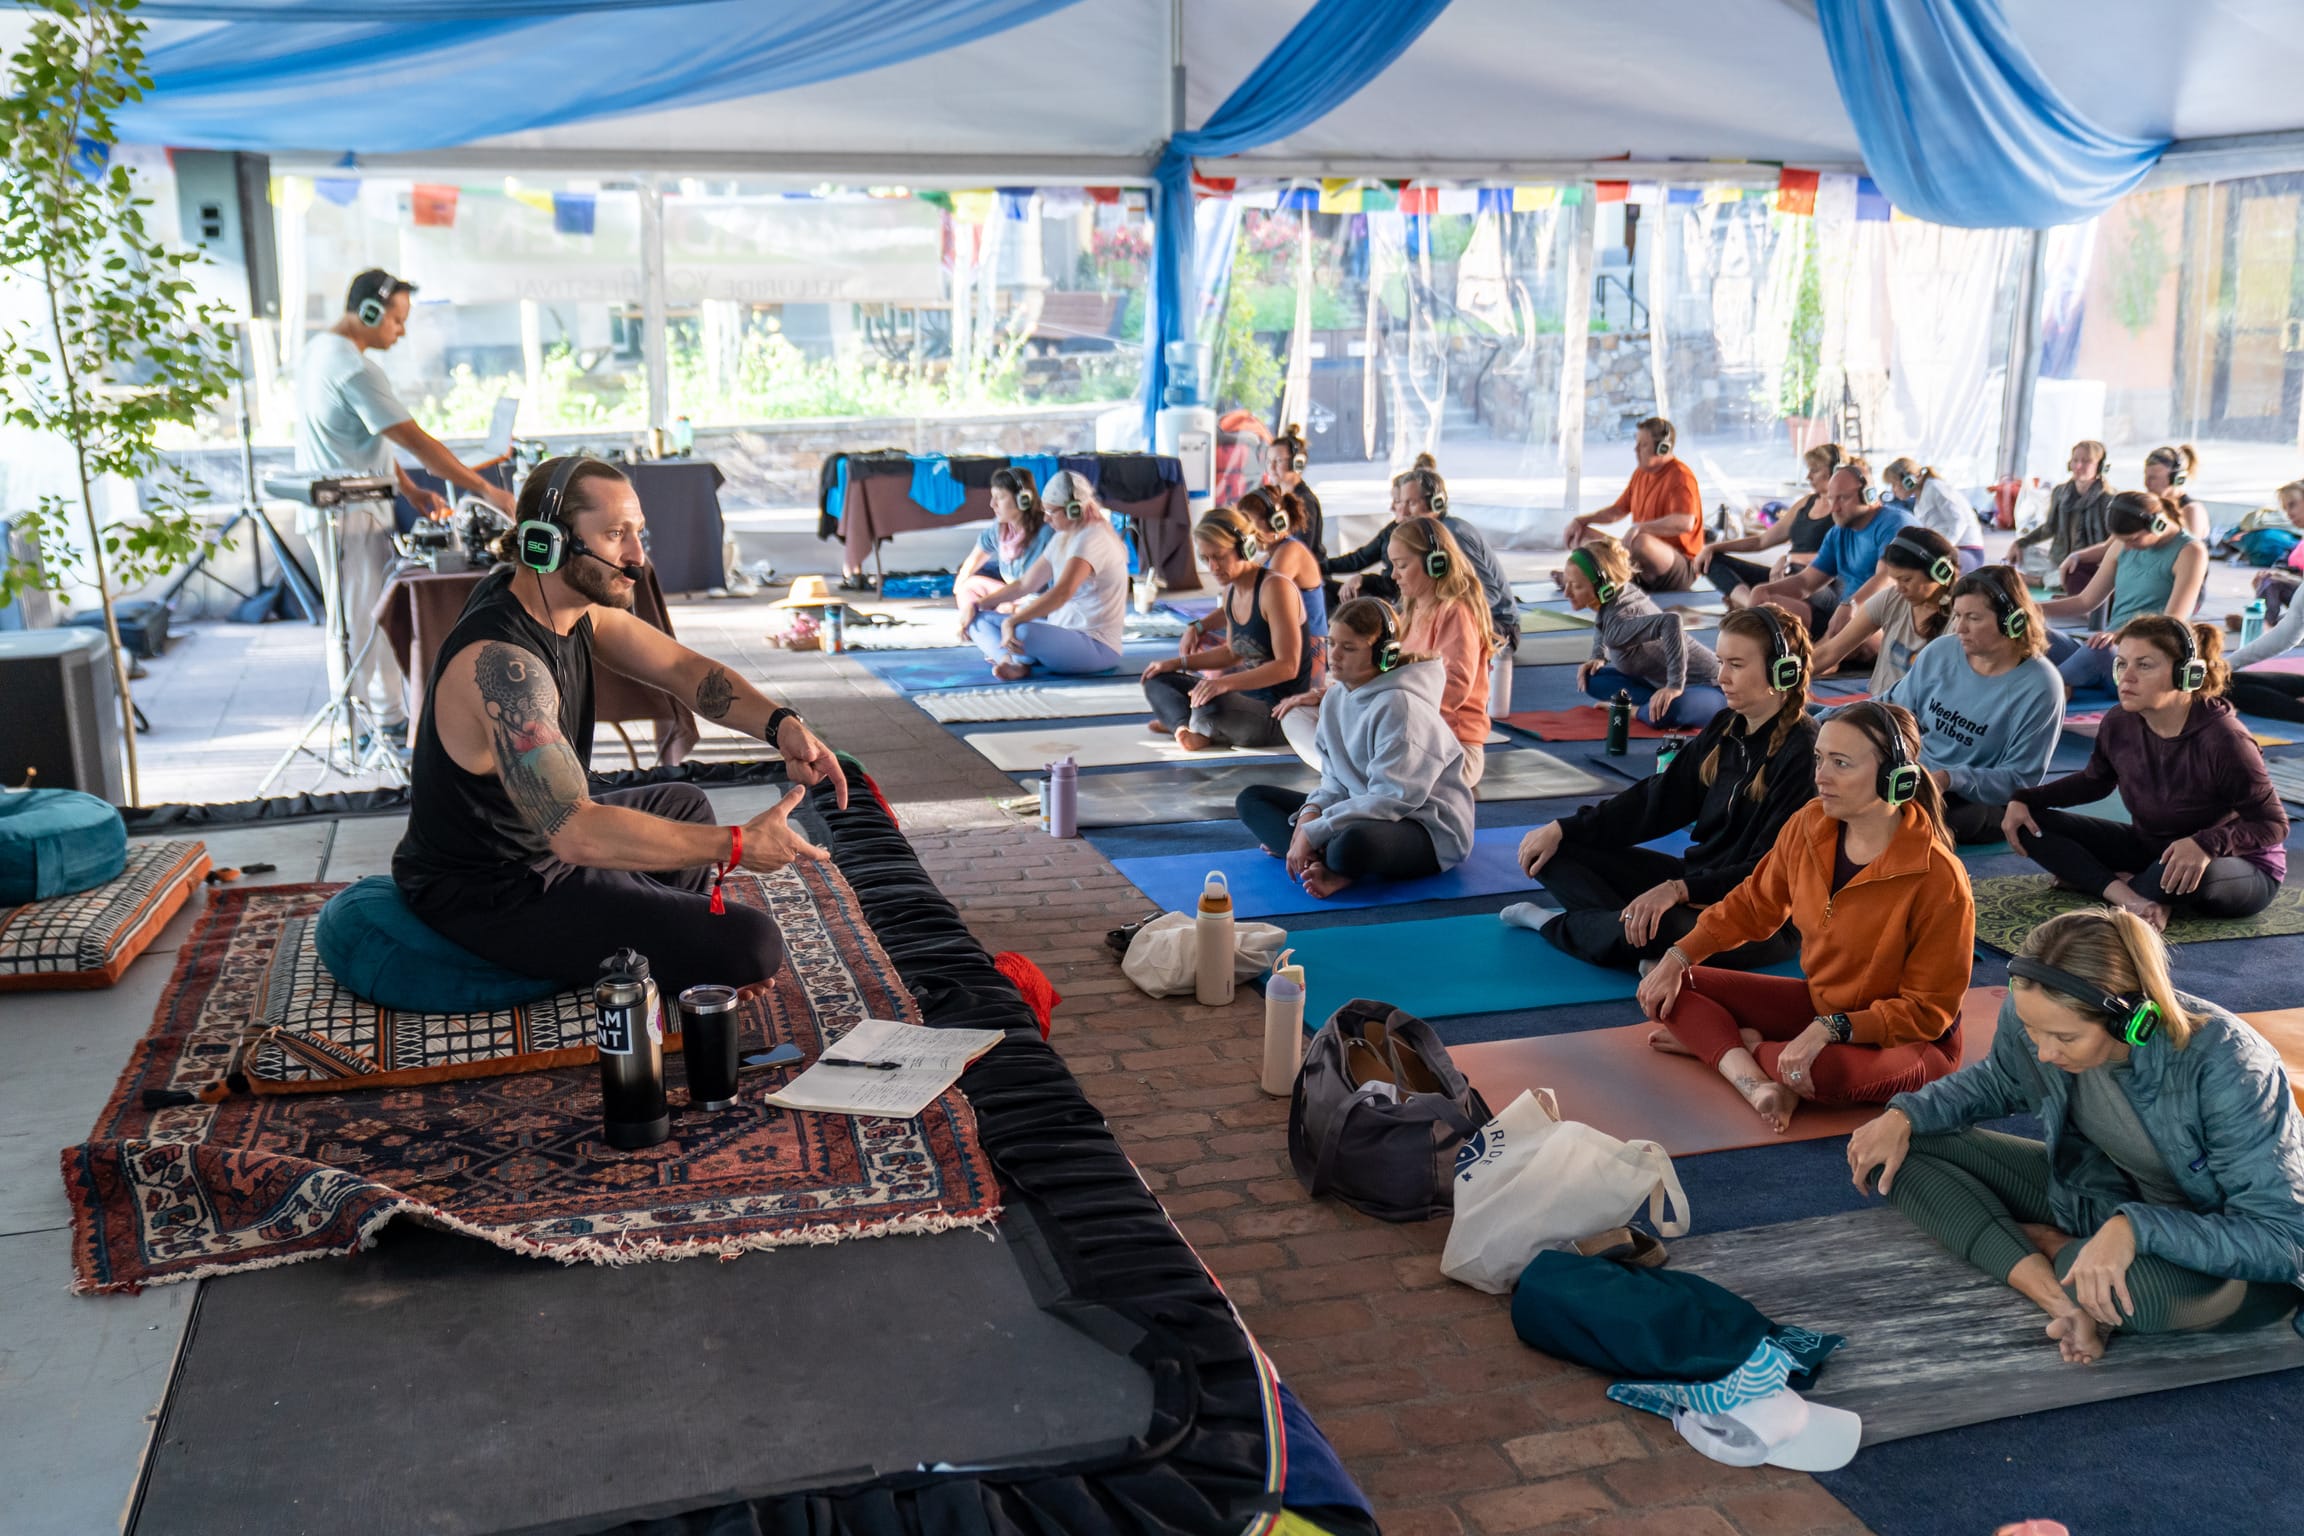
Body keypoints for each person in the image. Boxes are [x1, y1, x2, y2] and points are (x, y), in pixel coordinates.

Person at [392, 456, 846, 999]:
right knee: (753, 946)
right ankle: (642, 932)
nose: (637, 558)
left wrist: (781, 725)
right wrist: (735, 845)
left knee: (685, 804)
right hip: (492, 890)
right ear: (547, 543)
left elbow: (683, 671)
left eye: (638, 534)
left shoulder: (572, 606)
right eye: (615, 535)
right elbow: (577, 832)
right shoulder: (504, 667)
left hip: (548, 850)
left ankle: (640, 920)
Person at [1849, 908, 2304, 1366]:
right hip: (2104, 1196)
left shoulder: (2230, 1066)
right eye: (2032, 1031)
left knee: (2126, 1293)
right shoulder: (2035, 1006)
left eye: (2064, 1037)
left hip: (2234, 1261)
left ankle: (2057, 1250)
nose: (2045, 1052)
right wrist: (1904, 1116)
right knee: (1902, 1149)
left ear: (2130, 1022)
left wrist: (2136, 1230)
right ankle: (2059, 1298)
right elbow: (2001, 1080)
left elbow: (2284, 1238)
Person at [1635, 701, 1975, 1134]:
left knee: (1822, 1072)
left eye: (1841, 763)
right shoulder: (1809, 824)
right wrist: (1678, 957)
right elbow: (1753, 906)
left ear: (1895, 780)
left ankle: (1734, 1050)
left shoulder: (1939, 878)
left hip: (1909, 1041)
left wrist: (1832, 1030)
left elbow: (1929, 1012)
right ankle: (1759, 1080)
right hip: (1820, 1008)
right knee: (1666, 987)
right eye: (1819, 758)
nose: (1820, 776)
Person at [1506, 605, 1819, 973]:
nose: (1721, 677)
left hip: (1758, 918)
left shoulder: (1806, 753)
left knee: (1664, 929)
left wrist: (1678, 892)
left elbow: (1767, 872)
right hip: (1693, 885)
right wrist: (1565, 828)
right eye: (1720, 662)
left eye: (1736, 664)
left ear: (1781, 672)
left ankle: (1554, 925)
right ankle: (1625, 936)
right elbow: (1657, 800)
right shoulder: (1725, 727)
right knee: (1552, 853)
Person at [295, 269, 519, 744]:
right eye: (397, 319)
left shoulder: (321, 351)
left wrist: (409, 491)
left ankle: (388, 718)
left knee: (360, 617)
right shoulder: (354, 368)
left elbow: (370, 436)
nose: (401, 330)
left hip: (349, 510)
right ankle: (359, 730)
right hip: (347, 517)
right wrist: (485, 489)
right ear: (370, 311)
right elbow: (416, 442)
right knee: (358, 622)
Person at [2004, 616, 2288, 930]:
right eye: (2122, 664)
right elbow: (2093, 783)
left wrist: (2207, 844)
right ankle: (2131, 896)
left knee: (2181, 872)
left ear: (2185, 674)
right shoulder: (2119, 721)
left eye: (2144, 665)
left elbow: (2273, 824)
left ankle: (2113, 883)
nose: (2127, 678)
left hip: (2236, 865)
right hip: (2151, 847)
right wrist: (2024, 799)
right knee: (2029, 824)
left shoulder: (2225, 740)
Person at [1234, 598, 1475, 900]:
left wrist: (1313, 831)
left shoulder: (1400, 706)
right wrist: (1310, 814)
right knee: (1252, 799)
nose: (1333, 656)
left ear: (1384, 655)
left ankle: (1323, 860)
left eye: (1348, 648)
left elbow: (1392, 799)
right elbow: (1333, 780)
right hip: (1360, 808)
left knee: (1350, 846)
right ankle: (1318, 858)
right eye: (1332, 643)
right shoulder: (1336, 698)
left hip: (1422, 825)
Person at [1279, 515, 1490, 779]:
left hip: (1448, 749)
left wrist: (1380, 711)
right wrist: (1326, 696)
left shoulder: (1455, 612)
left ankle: (1350, 774)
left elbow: (1453, 688)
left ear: (1435, 563)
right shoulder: (1409, 613)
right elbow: (1377, 674)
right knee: (1297, 713)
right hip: (1399, 731)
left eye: (1401, 565)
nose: (1393, 575)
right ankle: (1354, 773)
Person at [1883, 565, 2064, 844]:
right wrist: (1829, 719)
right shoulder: (1941, 651)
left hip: (1979, 800)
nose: (1961, 628)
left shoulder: (2041, 685)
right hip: (1921, 777)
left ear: (2011, 622)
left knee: (1939, 817)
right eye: (1958, 616)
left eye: (1974, 618)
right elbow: (1892, 708)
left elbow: (2021, 779)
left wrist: (1951, 778)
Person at [1140, 508, 1308, 750]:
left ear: (1245, 549)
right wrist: (1176, 664)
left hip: (1278, 712)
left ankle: (1190, 722)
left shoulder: (1275, 588)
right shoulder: (1231, 589)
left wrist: (1225, 684)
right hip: (1244, 699)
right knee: (1156, 679)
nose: (1213, 566)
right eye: (1206, 558)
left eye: (1218, 556)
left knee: (1210, 703)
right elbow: (1232, 652)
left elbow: (1288, 666)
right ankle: (1184, 727)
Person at [1325, 454, 1518, 646]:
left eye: (1412, 503)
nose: (1404, 512)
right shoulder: (1425, 536)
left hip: (1497, 625)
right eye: (1403, 502)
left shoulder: (1454, 534)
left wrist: (1440, 615)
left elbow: (1490, 594)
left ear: (1437, 503)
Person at [962, 470, 1129, 679]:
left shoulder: (1093, 538)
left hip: (1095, 646)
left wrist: (1013, 621)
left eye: (1052, 512)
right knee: (978, 620)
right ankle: (1009, 661)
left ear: (1074, 510)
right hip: (1061, 636)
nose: (1046, 518)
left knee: (1022, 632)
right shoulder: (1063, 537)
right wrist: (977, 605)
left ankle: (1017, 657)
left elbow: (1062, 593)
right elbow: (1025, 585)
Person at [2036, 491, 2207, 696]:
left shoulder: (2190, 551)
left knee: (2098, 650)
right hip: (2109, 647)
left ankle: (2042, 688)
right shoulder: (2121, 544)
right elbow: (2085, 601)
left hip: (2141, 658)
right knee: (2035, 632)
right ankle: (2055, 683)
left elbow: (2171, 623)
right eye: (2122, 540)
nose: (2127, 547)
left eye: (2133, 540)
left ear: (2158, 525)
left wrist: (2119, 636)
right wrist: (2031, 609)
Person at [1563, 534, 1725, 728]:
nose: (1566, 592)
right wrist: (1597, 655)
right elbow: (1602, 613)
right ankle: (1653, 702)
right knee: (1590, 678)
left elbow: (1671, 621)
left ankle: (1635, 710)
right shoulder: (1620, 591)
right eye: (1567, 583)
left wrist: (1674, 685)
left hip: (1711, 687)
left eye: (1576, 586)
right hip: (1654, 683)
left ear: (1604, 588)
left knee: (1668, 712)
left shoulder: (1620, 625)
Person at [1748, 459, 1911, 640]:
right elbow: (1805, 582)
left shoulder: (1895, 523)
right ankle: (1819, 652)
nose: (1834, 508)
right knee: (1766, 604)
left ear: (1870, 496)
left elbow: (1887, 579)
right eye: (1831, 499)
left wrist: (1851, 604)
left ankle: (1823, 655)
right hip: (1845, 616)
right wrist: (1765, 592)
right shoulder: (1837, 533)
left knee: (1851, 624)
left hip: (1888, 626)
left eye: (1843, 498)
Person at [1563, 416, 1706, 593]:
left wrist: (1640, 527)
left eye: (1643, 445)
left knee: (1641, 542)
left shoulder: (1681, 476)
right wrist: (1582, 520)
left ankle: (1596, 577)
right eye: (1637, 444)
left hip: (1680, 568)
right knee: (1580, 535)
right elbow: (1617, 511)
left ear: (1663, 448)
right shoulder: (1641, 474)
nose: (1636, 450)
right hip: (1640, 564)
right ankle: (1588, 578)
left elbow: (1685, 522)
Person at [1809, 527, 1958, 693]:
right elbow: (1830, 652)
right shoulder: (1892, 598)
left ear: (1941, 572)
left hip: (1910, 717)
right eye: (1896, 580)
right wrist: (1781, 678)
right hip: (1878, 709)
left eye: (1906, 579)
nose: (1900, 588)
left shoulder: (1960, 621)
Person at [1701, 443, 1845, 604]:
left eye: (1815, 470)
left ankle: (1759, 607)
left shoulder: (1843, 510)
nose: (1808, 477)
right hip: (1788, 573)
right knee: (1711, 562)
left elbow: (1839, 558)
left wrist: (1790, 558)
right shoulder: (1805, 503)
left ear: (1835, 473)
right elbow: (1761, 541)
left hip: (1819, 584)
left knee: (1792, 575)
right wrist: (1713, 548)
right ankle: (1752, 605)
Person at [2062, 445, 2202, 593]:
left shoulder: (2192, 511)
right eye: (2145, 476)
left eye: (2153, 478)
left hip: (2167, 583)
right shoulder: (2145, 505)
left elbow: (2188, 562)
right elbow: (2107, 547)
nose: (2147, 483)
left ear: (2177, 479)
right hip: (2139, 575)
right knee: (2078, 570)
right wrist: (2076, 556)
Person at [1234, 484, 1328, 685]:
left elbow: (1256, 600)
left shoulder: (1289, 552)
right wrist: (1199, 627)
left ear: (1275, 522)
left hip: (1307, 651)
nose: (1244, 531)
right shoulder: (1273, 554)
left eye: (1248, 522)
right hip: (1288, 643)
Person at [2007, 440, 2112, 586]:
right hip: (2059, 560)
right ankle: (2055, 579)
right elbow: (2049, 528)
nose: (2078, 466)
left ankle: (2040, 581)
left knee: (2082, 575)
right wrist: (2019, 543)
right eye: (2075, 460)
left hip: (2088, 563)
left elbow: (2111, 543)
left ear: (2100, 466)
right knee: (2024, 553)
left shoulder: (2109, 499)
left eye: (2086, 461)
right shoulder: (2060, 492)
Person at [953, 467, 1051, 615]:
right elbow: (975, 558)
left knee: (1006, 625)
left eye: (999, 497)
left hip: (1043, 606)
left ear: (1023, 499)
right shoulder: (1000, 529)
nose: (992, 504)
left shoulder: (1048, 534)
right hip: (1014, 597)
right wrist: (960, 586)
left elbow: (1061, 593)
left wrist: (1016, 609)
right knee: (968, 586)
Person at [1880, 458, 1987, 572]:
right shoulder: (1919, 499)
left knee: (1922, 570)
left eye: (1894, 484)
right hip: (1950, 550)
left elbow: (1959, 520)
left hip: (1967, 551)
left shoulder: (1935, 488)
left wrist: (1942, 550)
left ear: (1908, 480)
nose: (1893, 490)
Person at [1263, 422, 1327, 565]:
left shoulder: (1304, 502)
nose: (1271, 467)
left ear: (1298, 463)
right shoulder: (1276, 498)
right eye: (1269, 461)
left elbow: (1299, 552)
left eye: (1278, 461)